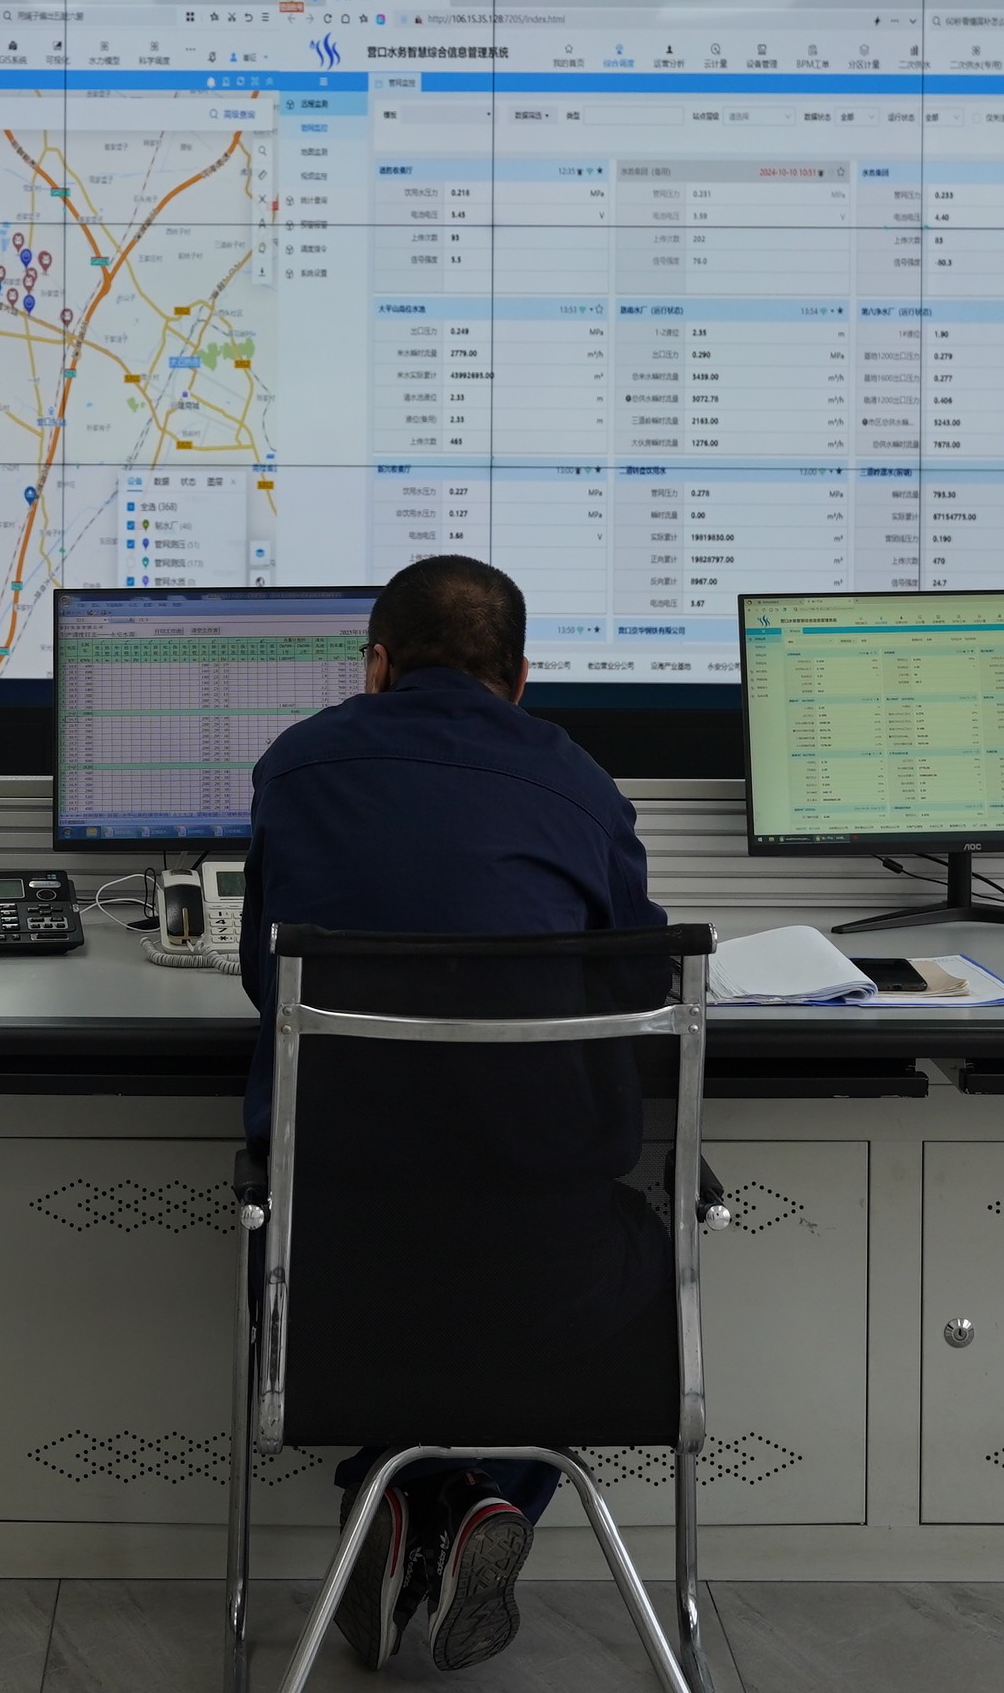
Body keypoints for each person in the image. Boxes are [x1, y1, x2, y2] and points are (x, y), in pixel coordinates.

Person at [237, 553, 667, 1677]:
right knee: (577, 1257)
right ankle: (482, 1489)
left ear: (376, 665)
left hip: (327, 1274)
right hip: (546, 1275)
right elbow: (639, 983)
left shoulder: (295, 765)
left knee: (416, 1272)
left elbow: (263, 976)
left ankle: (396, 1492)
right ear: (519, 679)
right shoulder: (583, 787)